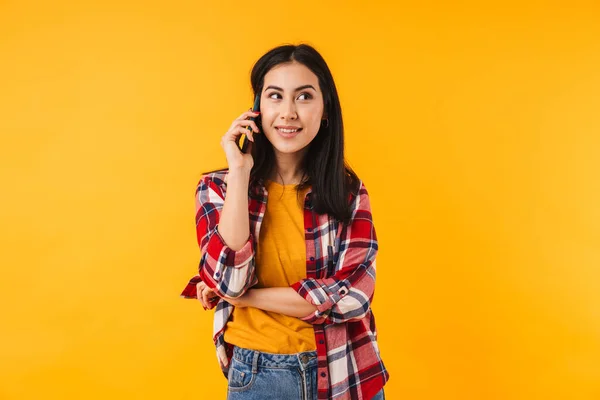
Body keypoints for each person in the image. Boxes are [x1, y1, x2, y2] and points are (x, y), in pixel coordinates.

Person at [181, 43, 389, 400]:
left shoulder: (347, 193)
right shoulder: (218, 188)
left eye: (304, 97)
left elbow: (353, 297)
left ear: (325, 111)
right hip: (260, 375)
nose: (288, 112)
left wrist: (246, 299)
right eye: (275, 96)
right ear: (257, 109)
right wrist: (240, 171)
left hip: (347, 372)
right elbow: (228, 283)